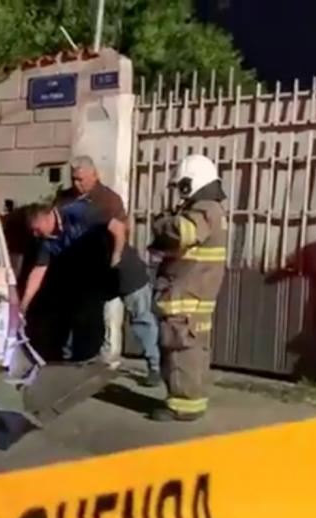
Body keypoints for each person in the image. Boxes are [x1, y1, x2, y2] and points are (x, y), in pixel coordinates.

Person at [148, 153, 229, 422]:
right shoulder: (206, 208)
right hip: (186, 294)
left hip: (189, 296)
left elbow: (183, 233)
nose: (180, 194)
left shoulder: (207, 209)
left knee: (184, 351)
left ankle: (185, 408)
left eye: (182, 186)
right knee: (179, 350)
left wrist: (161, 223)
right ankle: (180, 402)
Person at [69, 156, 161, 386]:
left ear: (94, 175)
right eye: (73, 179)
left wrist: (116, 257)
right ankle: (100, 364)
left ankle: (156, 366)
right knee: (101, 320)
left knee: (142, 321)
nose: (76, 184)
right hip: (99, 274)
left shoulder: (107, 200)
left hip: (126, 272)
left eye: (81, 179)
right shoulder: (71, 200)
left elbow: (120, 230)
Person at [20, 198, 127, 363]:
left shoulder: (78, 212)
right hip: (79, 278)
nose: (35, 235)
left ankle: (109, 360)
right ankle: (82, 358)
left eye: (36, 229)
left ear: (47, 218)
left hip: (105, 267)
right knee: (79, 318)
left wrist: (116, 256)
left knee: (109, 315)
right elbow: (40, 269)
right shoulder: (46, 240)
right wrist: (24, 304)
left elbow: (118, 227)